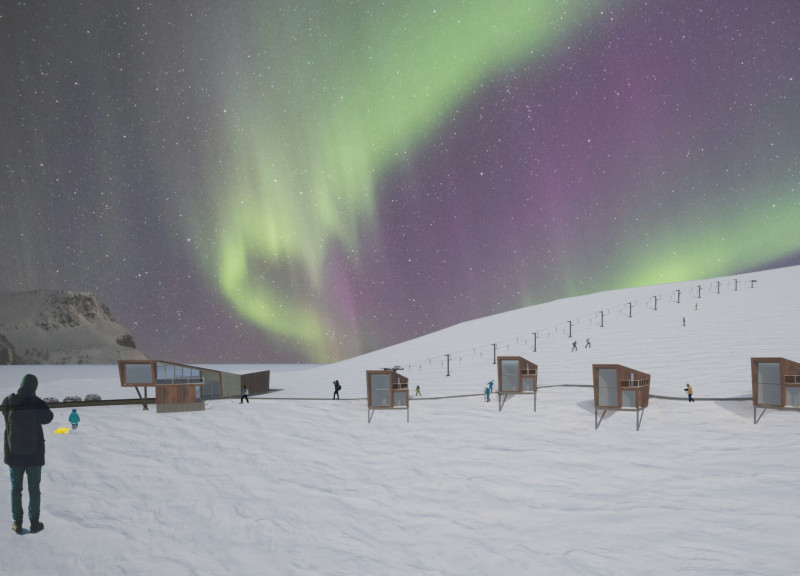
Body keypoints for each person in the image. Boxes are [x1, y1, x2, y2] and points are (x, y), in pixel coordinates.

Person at [2, 374, 54, 534]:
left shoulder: (8, 401)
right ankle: (34, 522)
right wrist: (41, 403)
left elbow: (5, 417)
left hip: (14, 453)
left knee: (16, 488)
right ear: (34, 387)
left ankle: (17, 523)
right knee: (34, 488)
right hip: (34, 454)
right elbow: (48, 418)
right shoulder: (35, 402)